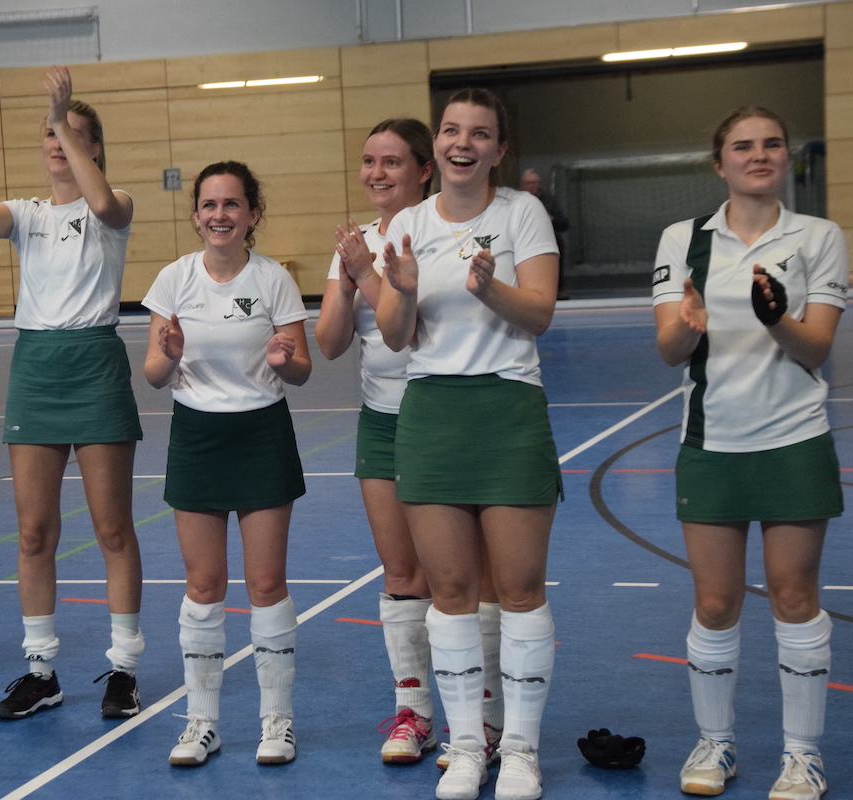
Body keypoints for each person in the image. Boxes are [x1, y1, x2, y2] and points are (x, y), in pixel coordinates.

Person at [652, 106, 846, 800]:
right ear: (720, 162)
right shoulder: (683, 239)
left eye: (771, 144)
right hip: (711, 445)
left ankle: (802, 757)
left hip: (794, 441)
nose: (758, 155)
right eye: (742, 146)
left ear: (787, 157)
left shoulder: (819, 236)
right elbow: (669, 348)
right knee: (714, 603)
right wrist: (690, 326)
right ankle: (716, 743)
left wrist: (776, 318)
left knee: (794, 596)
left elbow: (816, 348)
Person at [375, 88, 562, 800]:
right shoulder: (409, 223)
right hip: (432, 412)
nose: (463, 143)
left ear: (498, 150)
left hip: (508, 408)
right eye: (451, 130)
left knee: (518, 590)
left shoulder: (521, 213)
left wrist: (489, 289)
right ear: (438, 144)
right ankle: (464, 748)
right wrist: (402, 289)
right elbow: (396, 336)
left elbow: (539, 312)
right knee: (450, 592)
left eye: (479, 134)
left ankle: (519, 750)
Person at [0, 68, 145, 721]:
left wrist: (62, 113)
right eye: (50, 133)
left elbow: (104, 205)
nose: (57, 142)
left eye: (72, 134)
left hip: (94, 363)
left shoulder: (113, 205)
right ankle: (41, 672)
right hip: (36, 367)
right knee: (34, 532)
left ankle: (124, 669)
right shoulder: (27, 215)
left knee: (112, 527)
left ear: (94, 147)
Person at [315, 118, 507, 769]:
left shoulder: (440, 235)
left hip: (449, 417)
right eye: (369, 161)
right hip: (383, 420)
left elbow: (417, 330)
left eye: (392, 162)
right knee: (401, 574)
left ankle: (482, 719)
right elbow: (330, 343)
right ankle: (414, 712)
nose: (377, 173)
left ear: (424, 170)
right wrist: (348, 277)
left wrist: (367, 274)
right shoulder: (357, 244)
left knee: (470, 577)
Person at [143, 161, 311, 767]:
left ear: (252, 214)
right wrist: (170, 353)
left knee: (266, 584)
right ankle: (202, 722)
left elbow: (301, 368)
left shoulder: (273, 280)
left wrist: (283, 359)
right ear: (196, 215)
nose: (220, 214)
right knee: (203, 584)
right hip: (197, 436)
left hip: (262, 432)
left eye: (232, 204)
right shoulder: (174, 280)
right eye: (210, 205)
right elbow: (154, 374)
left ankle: (277, 721)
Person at [519, 169, 569, 299]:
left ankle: (557, 289)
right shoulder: (516, 201)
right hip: (523, 240)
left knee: (556, 248)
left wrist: (550, 219)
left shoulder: (550, 201)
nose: (532, 186)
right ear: (523, 184)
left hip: (548, 240)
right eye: (529, 183)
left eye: (535, 183)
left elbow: (564, 223)